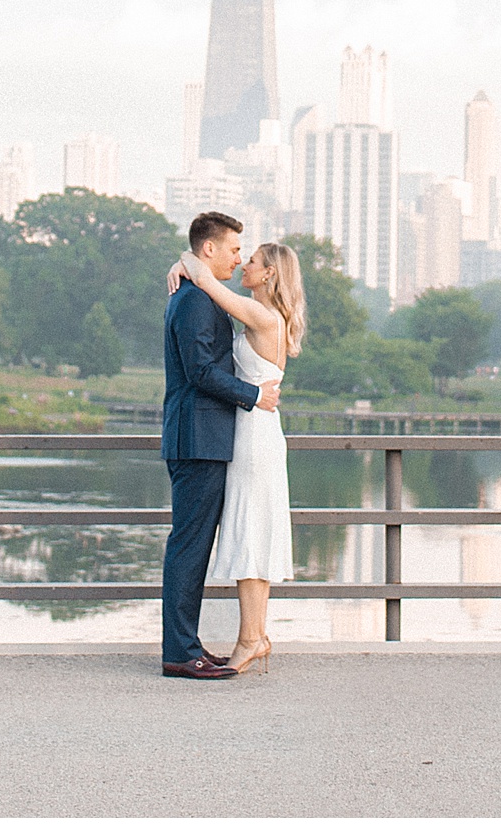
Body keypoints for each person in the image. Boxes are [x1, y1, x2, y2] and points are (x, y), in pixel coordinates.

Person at [169, 239, 306, 673]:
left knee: (251, 532)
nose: (243, 264)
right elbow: (208, 279)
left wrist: (185, 263)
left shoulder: (263, 316)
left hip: (253, 433)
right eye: (240, 255)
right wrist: (184, 263)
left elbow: (208, 281)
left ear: (268, 275)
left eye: (251, 260)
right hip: (250, 428)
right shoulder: (264, 314)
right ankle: (255, 636)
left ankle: (250, 639)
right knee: (253, 531)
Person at [159, 211, 278, 680]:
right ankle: (180, 652)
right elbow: (200, 372)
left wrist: (185, 262)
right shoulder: (194, 302)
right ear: (208, 250)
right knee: (188, 547)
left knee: (192, 546)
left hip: (204, 437)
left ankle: (187, 645)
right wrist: (254, 395)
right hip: (197, 438)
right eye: (232, 249)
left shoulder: (200, 295)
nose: (238, 257)